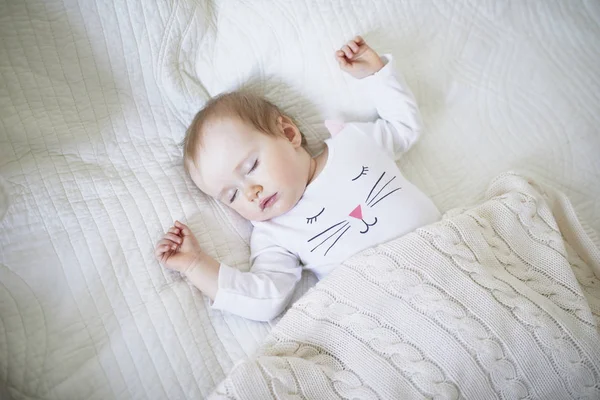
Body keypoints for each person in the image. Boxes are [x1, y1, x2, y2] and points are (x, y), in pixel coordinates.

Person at [155, 36, 441, 321]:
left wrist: (375, 74)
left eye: (251, 166)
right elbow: (265, 298)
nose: (250, 192)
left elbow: (404, 127)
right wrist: (195, 265)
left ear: (289, 134)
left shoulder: (354, 142)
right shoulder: (274, 232)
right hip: (388, 306)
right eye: (232, 195)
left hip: (443, 250)